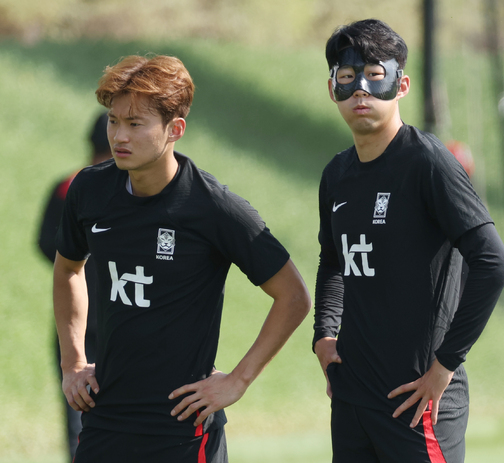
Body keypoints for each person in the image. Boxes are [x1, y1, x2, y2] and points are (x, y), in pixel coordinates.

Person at [53, 54, 311, 463]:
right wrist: (73, 361)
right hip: (104, 423)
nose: (119, 135)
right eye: (114, 121)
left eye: (135, 124)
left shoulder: (215, 208)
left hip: (182, 431)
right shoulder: (89, 191)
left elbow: (294, 296)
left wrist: (239, 380)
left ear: (175, 130)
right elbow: (68, 267)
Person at [313, 19, 504, 462]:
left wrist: (445, 365)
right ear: (332, 90)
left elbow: (494, 264)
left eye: (373, 75)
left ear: (401, 85)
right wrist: (324, 334)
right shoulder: (337, 174)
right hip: (352, 401)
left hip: (417, 402)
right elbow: (333, 262)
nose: (359, 89)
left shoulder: (427, 162)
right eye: (346, 78)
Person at [37, 112, 112, 462]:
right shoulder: (130, 192)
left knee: (77, 409)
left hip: (72, 322)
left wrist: (74, 269)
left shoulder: (66, 187)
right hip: (123, 317)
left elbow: (44, 245)